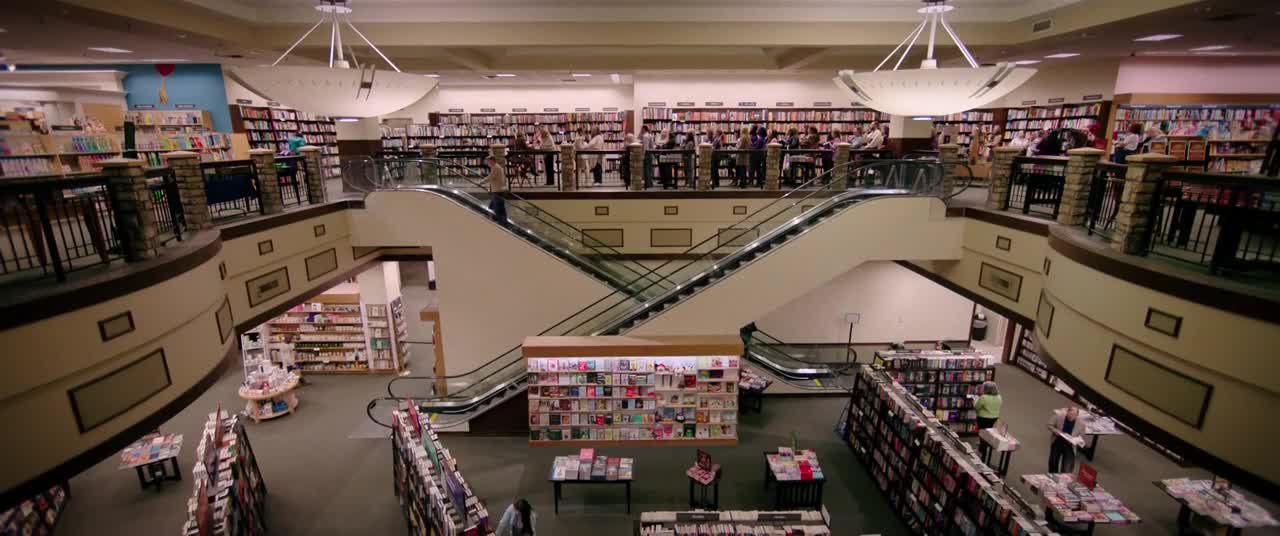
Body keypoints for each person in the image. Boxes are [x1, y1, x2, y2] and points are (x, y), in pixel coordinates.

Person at [1048, 406, 1086, 473]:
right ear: (1067, 412)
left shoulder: (1081, 424)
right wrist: (1056, 431)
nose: (1071, 416)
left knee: (1066, 469)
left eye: (1074, 415)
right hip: (1058, 441)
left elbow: (1081, 436)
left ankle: (1063, 478)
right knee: (1053, 461)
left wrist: (1075, 440)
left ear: (1077, 415)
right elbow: (1049, 425)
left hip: (1070, 445)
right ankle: (1053, 476)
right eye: (1070, 414)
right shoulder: (1059, 416)